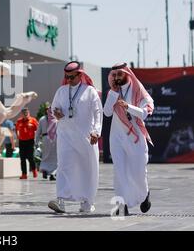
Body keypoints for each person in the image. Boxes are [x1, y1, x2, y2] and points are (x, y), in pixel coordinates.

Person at [48, 61, 103, 213]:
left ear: (80, 75)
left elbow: (98, 112)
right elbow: (54, 107)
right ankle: (61, 200)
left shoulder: (90, 91)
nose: (69, 80)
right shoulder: (61, 91)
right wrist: (56, 112)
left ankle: (87, 201)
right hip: (65, 135)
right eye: (67, 77)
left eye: (72, 77)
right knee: (64, 165)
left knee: (87, 169)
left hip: (86, 137)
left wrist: (96, 131)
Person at [104, 62, 154, 216]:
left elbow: (145, 113)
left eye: (119, 74)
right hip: (117, 137)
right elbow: (107, 112)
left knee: (138, 171)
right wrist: (113, 93)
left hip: (136, 137)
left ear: (127, 73)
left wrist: (128, 107)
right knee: (119, 171)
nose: (116, 77)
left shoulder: (138, 90)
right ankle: (121, 204)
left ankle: (144, 194)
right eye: (114, 75)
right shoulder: (113, 92)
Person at [35, 102, 58, 181]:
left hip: (45, 139)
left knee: (45, 156)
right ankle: (53, 173)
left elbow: (38, 132)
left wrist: (36, 142)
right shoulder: (56, 119)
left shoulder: (42, 119)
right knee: (55, 157)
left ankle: (45, 170)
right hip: (55, 139)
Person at [15, 107, 39, 179]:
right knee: (22, 158)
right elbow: (16, 130)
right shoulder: (19, 121)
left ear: (29, 113)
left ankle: (34, 170)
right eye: (24, 113)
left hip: (30, 141)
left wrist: (37, 139)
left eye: (27, 113)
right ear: (21, 114)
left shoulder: (33, 120)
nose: (25, 115)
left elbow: (38, 130)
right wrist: (17, 137)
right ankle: (24, 174)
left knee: (30, 157)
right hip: (22, 141)